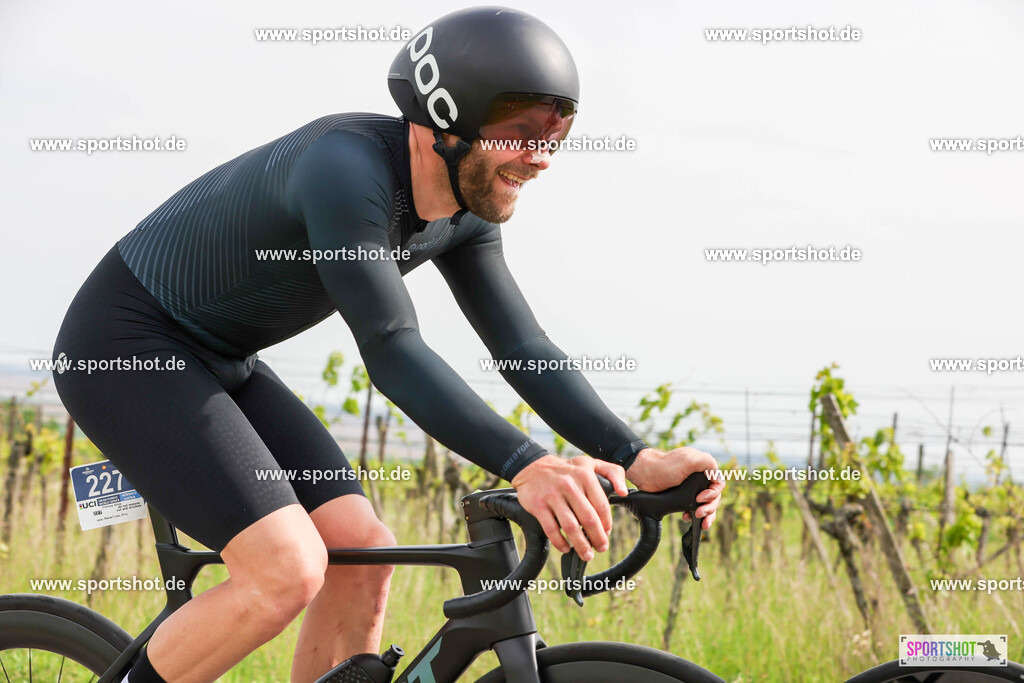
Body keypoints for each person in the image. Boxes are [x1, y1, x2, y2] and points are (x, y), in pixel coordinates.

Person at [51, 7, 724, 682]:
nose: (540, 154)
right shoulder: (343, 171)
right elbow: (392, 345)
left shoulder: (464, 212)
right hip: (125, 347)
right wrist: (528, 462)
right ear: (444, 120)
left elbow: (522, 343)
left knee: (365, 553)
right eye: (519, 130)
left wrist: (636, 456)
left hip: (224, 360)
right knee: (287, 570)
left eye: (556, 130)